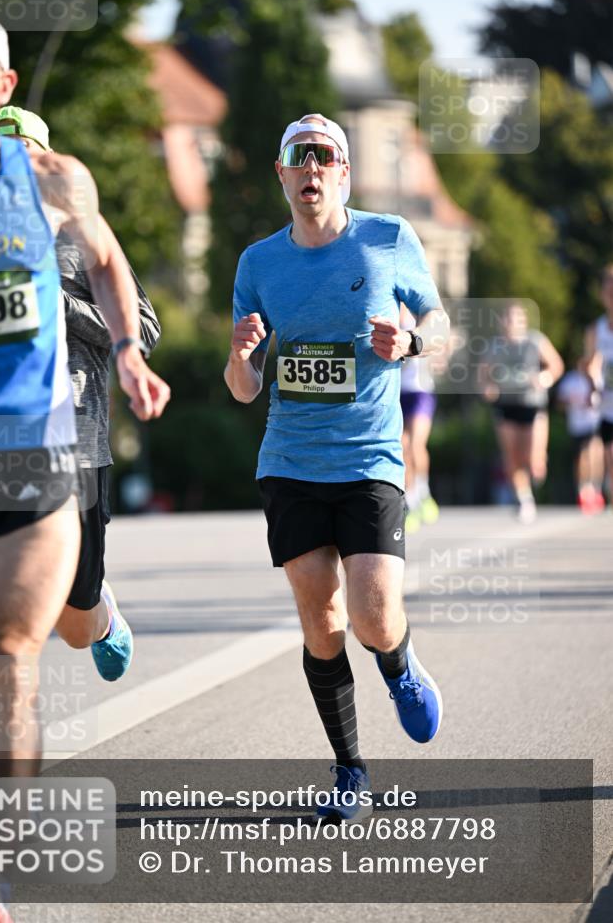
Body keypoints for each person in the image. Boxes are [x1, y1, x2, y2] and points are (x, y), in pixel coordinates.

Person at [0, 10, 170, 922]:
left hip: (32, 453)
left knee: (8, 663)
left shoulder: (52, 178)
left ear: (2, 86)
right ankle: (0, 747)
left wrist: (126, 350)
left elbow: (111, 262)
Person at [225, 113, 449, 824]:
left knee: (373, 615)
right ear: (282, 174)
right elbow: (243, 388)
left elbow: (441, 325)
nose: (312, 170)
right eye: (300, 159)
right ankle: (349, 769)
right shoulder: (258, 264)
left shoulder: (386, 238)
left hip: (369, 458)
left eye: (326, 159)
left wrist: (410, 339)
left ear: (343, 174)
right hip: (290, 461)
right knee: (321, 622)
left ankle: (399, 665)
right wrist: (239, 356)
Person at [0, 105, 161, 680]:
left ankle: (101, 615)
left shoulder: (79, 231)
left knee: (74, 624)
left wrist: (58, 302)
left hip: (77, 441)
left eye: (26, 155)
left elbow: (144, 327)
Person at [480, 301, 564, 523]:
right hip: (506, 405)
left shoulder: (535, 341)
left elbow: (556, 365)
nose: (511, 323)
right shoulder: (495, 347)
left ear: (524, 321)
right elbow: (483, 374)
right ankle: (524, 499)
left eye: (516, 319)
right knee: (512, 457)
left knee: (533, 459)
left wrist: (544, 378)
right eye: (507, 319)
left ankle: (538, 463)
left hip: (532, 404)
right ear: (501, 322)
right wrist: (488, 388)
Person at [399, 305, 439, 533]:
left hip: (421, 392)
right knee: (402, 447)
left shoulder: (423, 315)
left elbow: (441, 340)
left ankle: (423, 491)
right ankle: (410, 498)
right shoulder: (386, 313)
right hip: (398, 392)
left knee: (415, 445)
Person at [556, 361, 604, 512]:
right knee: (581, 458)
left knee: (594, 453)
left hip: (595, 423)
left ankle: (596, 488)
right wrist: (571, 401)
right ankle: (583, 489)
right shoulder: (570, 380)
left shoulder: (599, 377)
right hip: (576, 425)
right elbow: (559, 403)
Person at [583, 264, 613, 505]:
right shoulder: (596, 330)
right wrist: (592, 381)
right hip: (607, 405)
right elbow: (589, 363)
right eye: (608, 287)